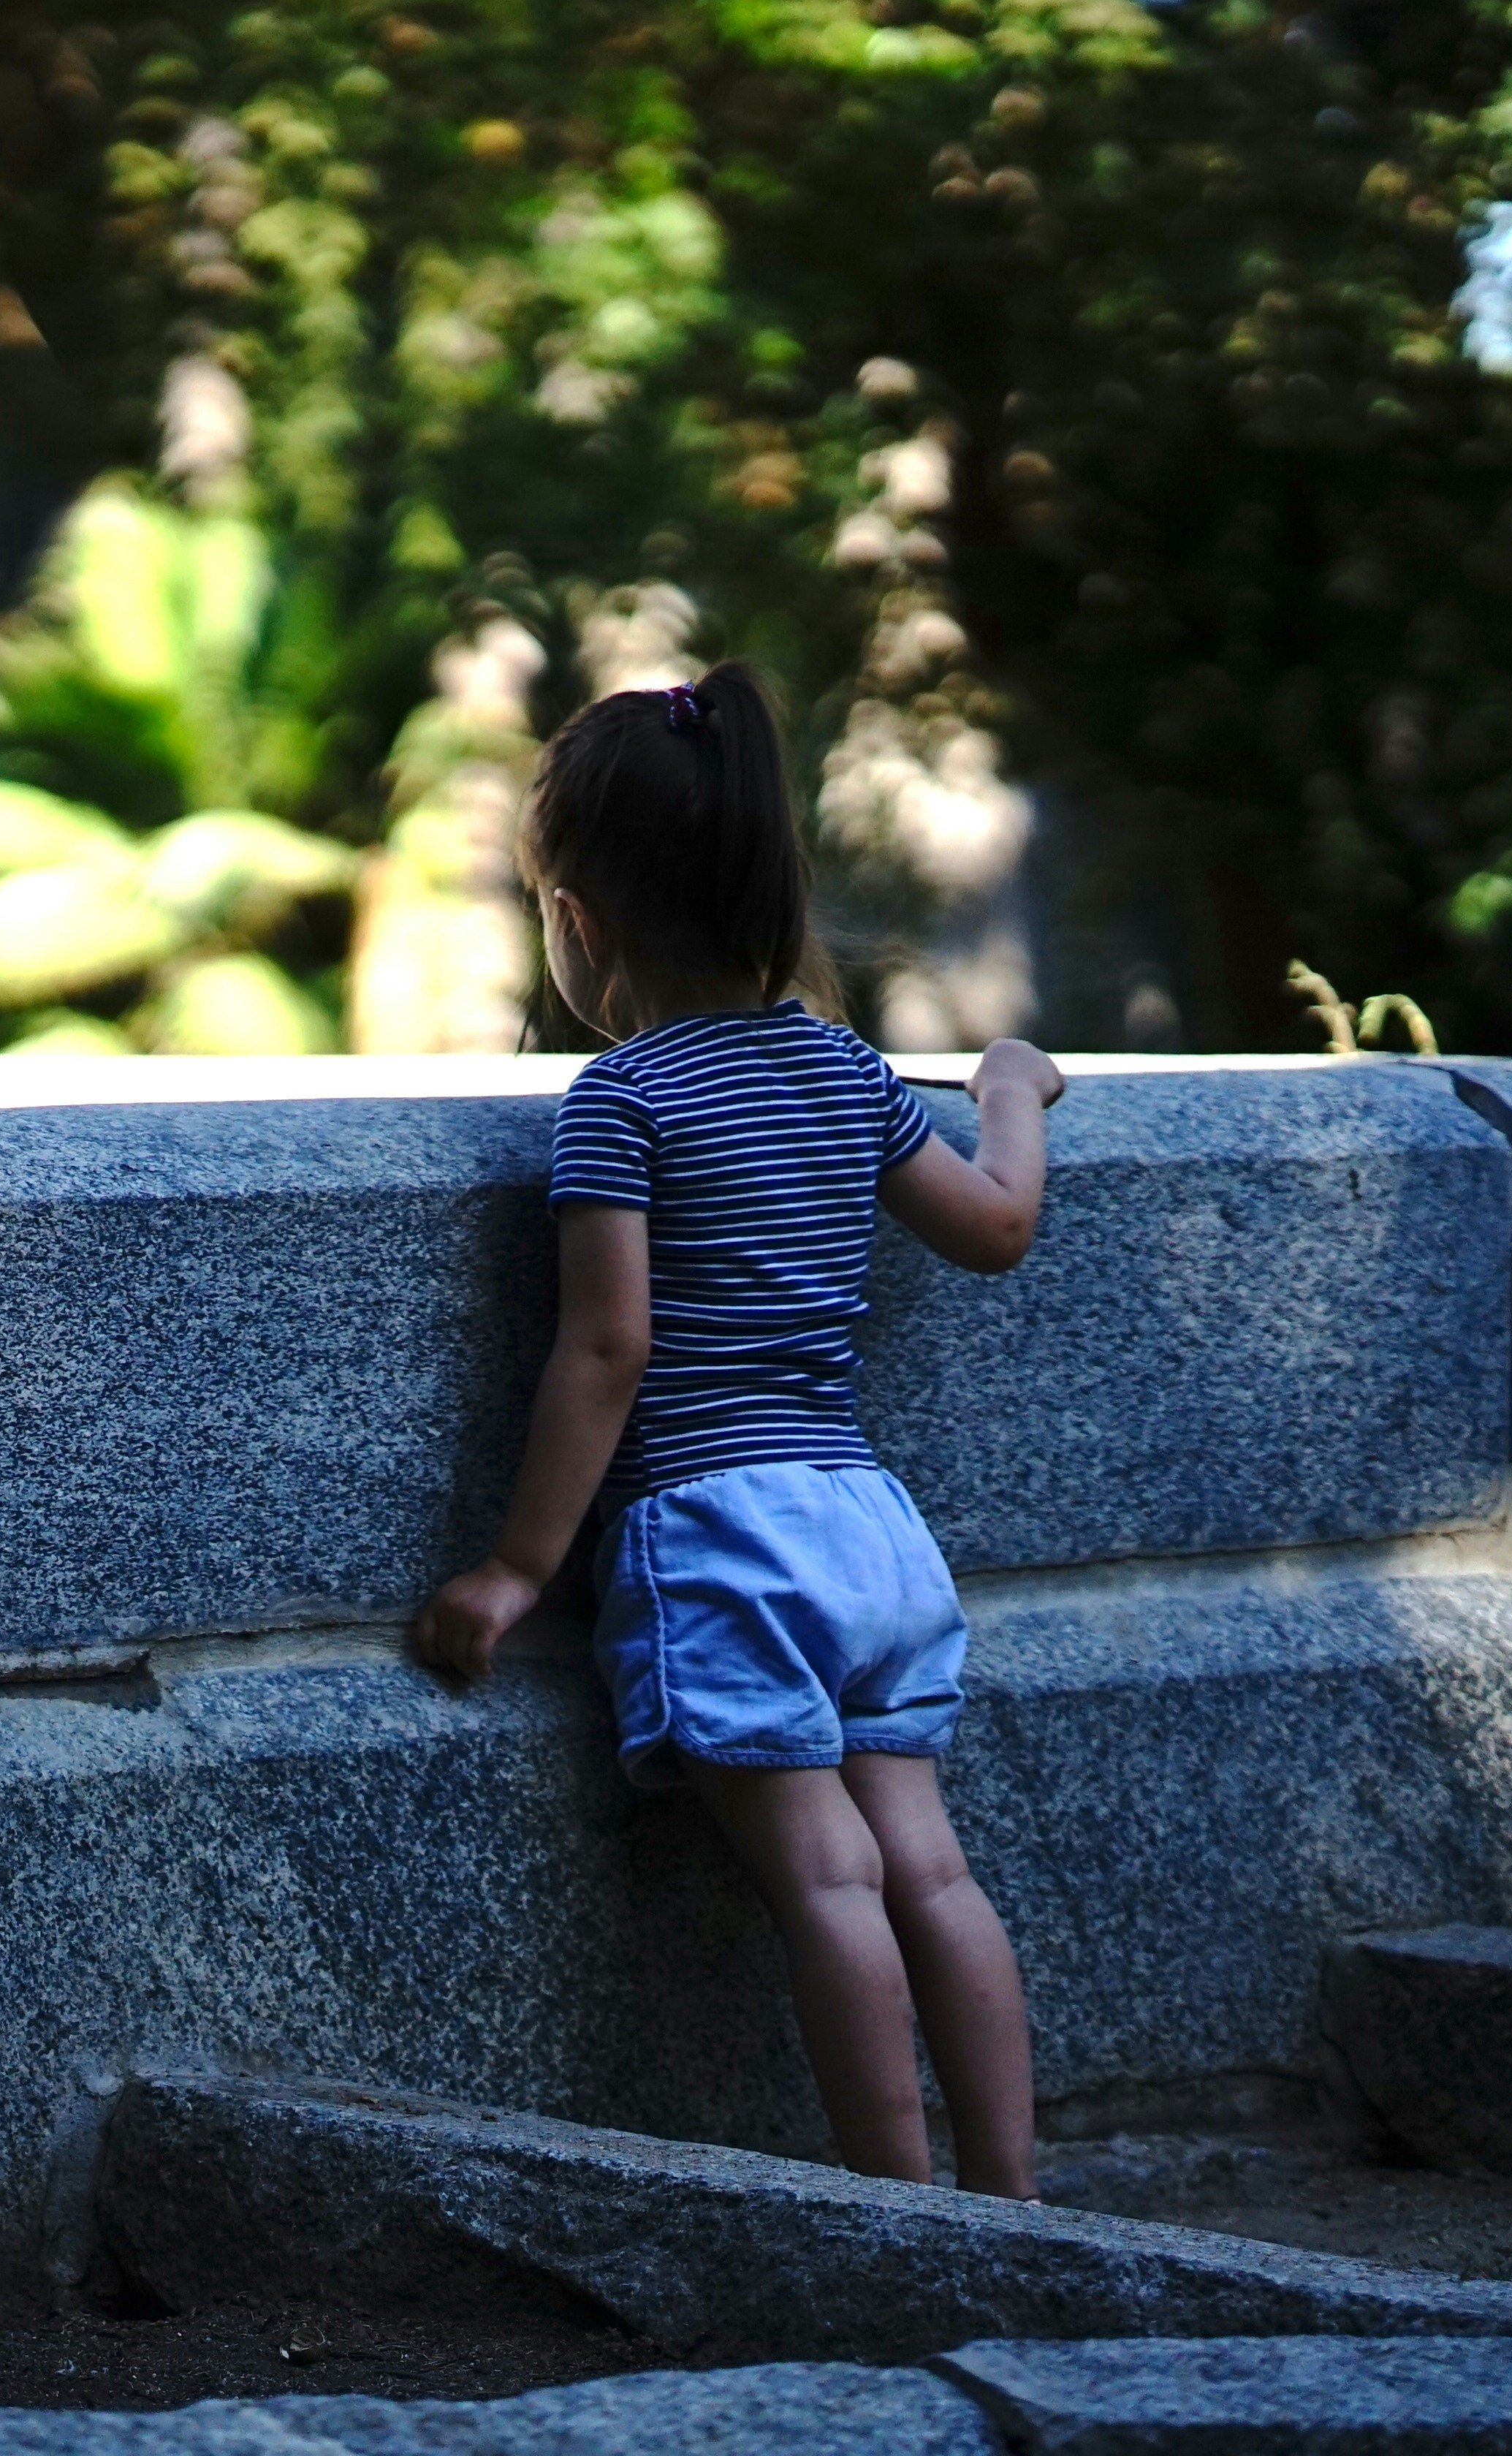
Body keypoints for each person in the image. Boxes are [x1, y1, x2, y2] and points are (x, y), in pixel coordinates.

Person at [407, 662, 1060, 2200]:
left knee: (826, 1879)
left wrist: (511, 1568)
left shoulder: (621, 1100)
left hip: (726, 1536)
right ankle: (1019, 2199)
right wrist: (1011, 1086)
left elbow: (608, 1344)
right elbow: (1000, 1223)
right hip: (868, 1527)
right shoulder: (844, 1069)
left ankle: (901, 2216)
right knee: (930, 1868)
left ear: (576, 918)